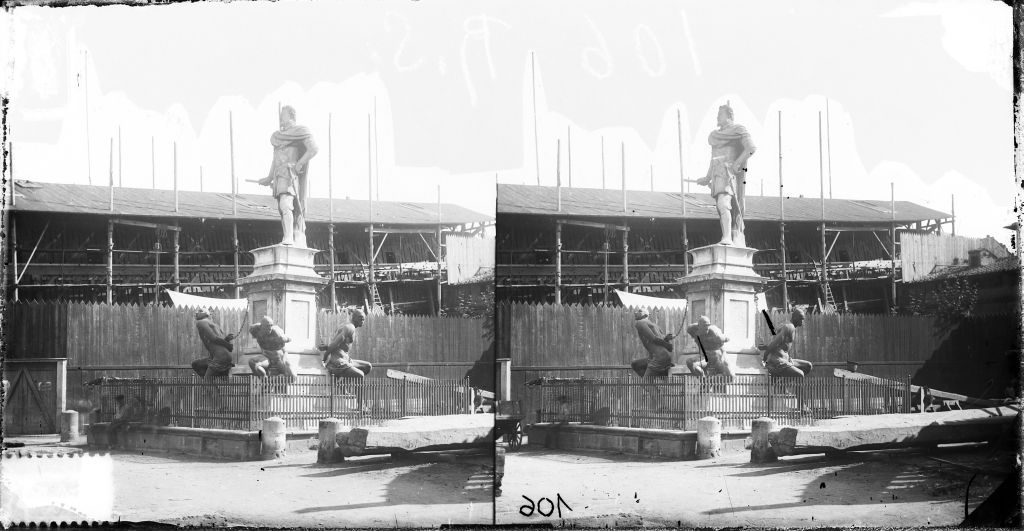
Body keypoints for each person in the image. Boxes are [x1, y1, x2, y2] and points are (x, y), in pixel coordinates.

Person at [696, 104, 756, 246]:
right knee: (720, 206)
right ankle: (727, 236)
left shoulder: (738, 130)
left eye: (720, 114)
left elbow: (751, 148)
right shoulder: (715, 135)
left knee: (724, 204)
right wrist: (707, 177)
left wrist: (737, 164)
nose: (717, 117)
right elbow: (713, 158)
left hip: (729, 174)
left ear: (729, 116)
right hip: (717, 175)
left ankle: (728, 237)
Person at [258, 105, 319, 247]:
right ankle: (288, 236)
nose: (280, 117)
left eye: (283, 114)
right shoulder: (278, 136)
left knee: (286, 205)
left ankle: (289, 238)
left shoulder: (300, 131)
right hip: (279, 175)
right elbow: (275, 158)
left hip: (290, 174)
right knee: (282, 208)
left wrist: (300, 163)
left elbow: (314, 148)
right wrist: (268, 178)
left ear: (291, 115)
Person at [190, 307, 236, 409]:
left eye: (200, 311)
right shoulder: (215, 324)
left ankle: (219, 406)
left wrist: (227, 344)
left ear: (206, 313)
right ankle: (215, 380)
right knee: (196, 364)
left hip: (220, 357)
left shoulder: (201, 323)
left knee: (207, 380)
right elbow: (220, 340)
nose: (196, 312)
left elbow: (213, 338)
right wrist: (227, 340)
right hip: (223, 356)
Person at [319, 309, 373, 379]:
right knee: (360, 375)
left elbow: (339, 344)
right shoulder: (349, 327)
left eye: (363, 319)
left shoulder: (349, 327)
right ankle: (346, 388)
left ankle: (342, 386)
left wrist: (326, 346)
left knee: (368, 366)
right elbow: (334, 344)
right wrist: (324, 358)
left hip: (346, 359)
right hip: (337, 362)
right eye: (360, 319)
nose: (362, 321)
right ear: (354, 318)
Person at [759, 309, 814, 377]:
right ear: (795, 318)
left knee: (808, 366)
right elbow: (773, 343)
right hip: (777, 361)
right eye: (801, 319)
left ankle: (782, 383)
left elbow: (778, 342)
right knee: (800, 374)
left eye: (803, 319)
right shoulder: (789, 327)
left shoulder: (791, 327)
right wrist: (764, 359)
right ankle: (782, 385)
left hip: (786, 359)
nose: (802, 321)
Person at [629, 308, 675, 379]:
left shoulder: (640, 323)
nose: (636, 312)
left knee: (645, 383)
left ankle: (650, 379)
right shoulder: (655, 326)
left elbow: (653, 338)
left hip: (659, 358)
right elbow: (662, 338)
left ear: (645, 315)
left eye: (640, 311)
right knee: (635, 364)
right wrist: (667, 340)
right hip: (665, 358)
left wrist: (666, 344)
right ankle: (654, 377)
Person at [247, 315, 295, 381]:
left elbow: (287, 341)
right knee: (252, 362)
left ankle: (277, 382)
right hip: (266, 357)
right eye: (267, 326)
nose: (270, 328)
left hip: (279, 358)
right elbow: (251, 327)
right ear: (261, 326)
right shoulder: (256, 330)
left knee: (292, 376)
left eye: (271, 325)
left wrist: (286, 339)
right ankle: (264, 379)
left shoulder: (277, 333)